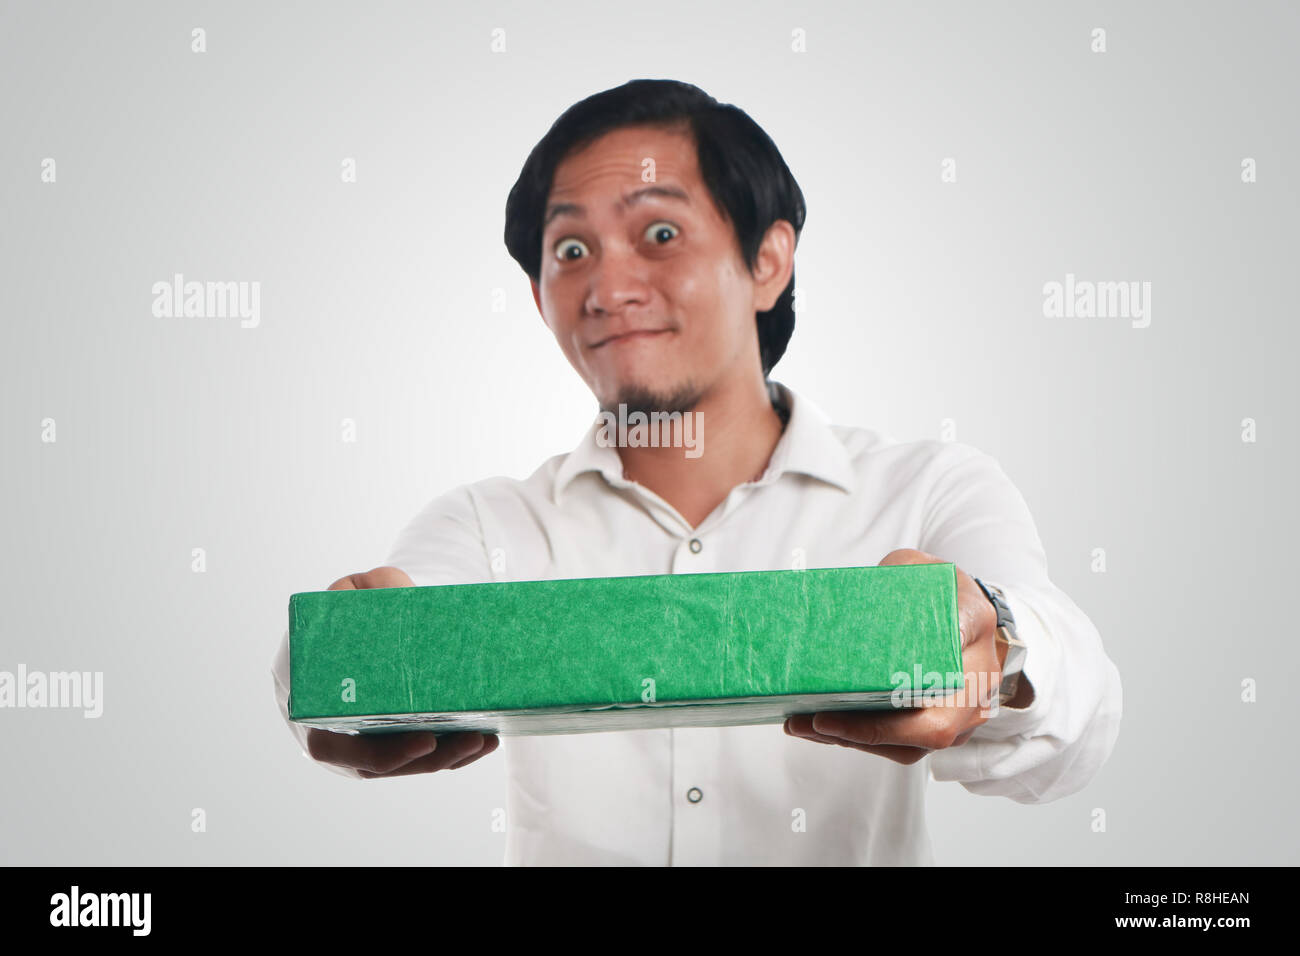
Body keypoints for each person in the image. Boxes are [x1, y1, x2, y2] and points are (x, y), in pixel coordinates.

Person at [271, 78, 1122, 865]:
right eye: (570, 250)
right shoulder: (484, 526)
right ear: (538, 298)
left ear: (767, 261)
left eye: (661, 234)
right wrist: (332, 671)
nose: (607, 285)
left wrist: (999, 643)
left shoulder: (928, 489)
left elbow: (1078, 716)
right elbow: (378, 623)